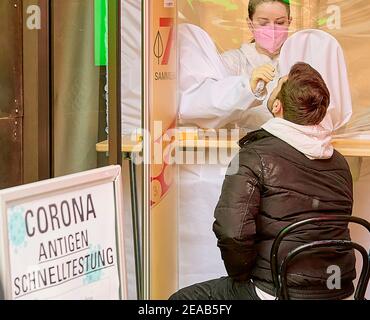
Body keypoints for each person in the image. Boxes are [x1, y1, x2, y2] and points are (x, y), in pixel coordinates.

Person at [170, 62, 356, 300]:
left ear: (277, 106)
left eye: (277, 85)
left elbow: (232, 232)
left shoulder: (254, 156)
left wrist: (242, 276)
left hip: (278, 292)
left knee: (181, 301)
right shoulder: (339, 163)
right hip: (337, 290)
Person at [178, 0, 292, 289]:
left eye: (280, 22)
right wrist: (248, 87)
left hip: (290, 163)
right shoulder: (231, 62)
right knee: (249, 232)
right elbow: (218, 107)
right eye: (264, 22)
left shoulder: (299, 59)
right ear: (250, 23)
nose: (273, 29)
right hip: (249, 163)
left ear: (290, 23)